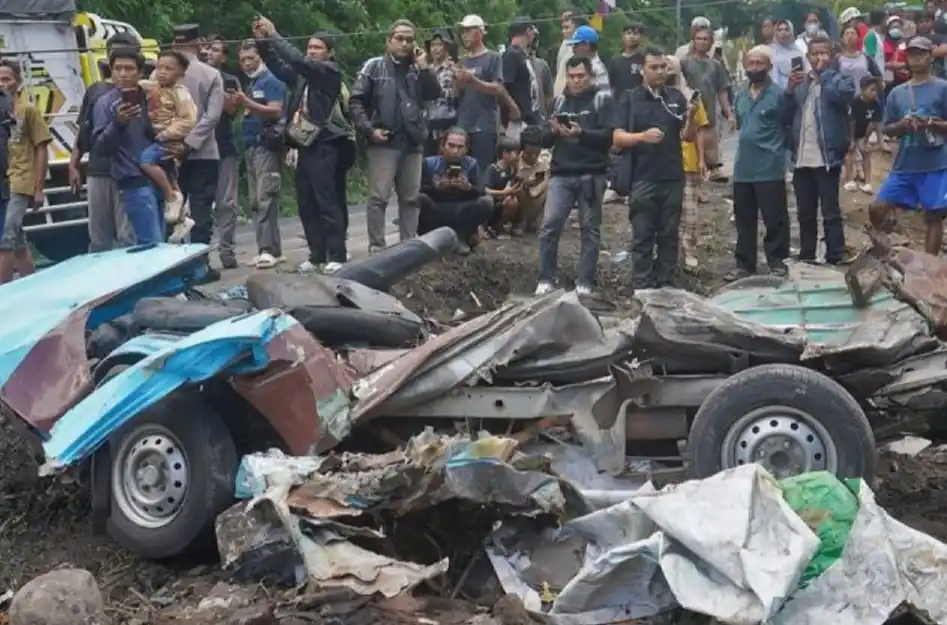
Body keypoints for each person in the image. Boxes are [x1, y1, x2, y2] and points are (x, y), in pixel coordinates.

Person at [256, 21, 355, 274]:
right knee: (306, 202)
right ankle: (316, 254)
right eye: (309, 47)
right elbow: (280, 67)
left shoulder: (329, 72)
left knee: (327, 200)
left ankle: (337, 254)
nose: (311, 51)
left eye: (317, 48)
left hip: (326, 144)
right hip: (304, 143)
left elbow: (298, 61)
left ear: (329, 53)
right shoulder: (304, 76)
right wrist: (263, 42)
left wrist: (275, 33)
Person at [350, 19, 442, 255]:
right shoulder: (374, 67)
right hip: (384, 140)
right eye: (399, 39)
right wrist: (370, 130)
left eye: (409, 40)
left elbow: (434, 93)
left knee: (411, 198)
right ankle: (377, 248)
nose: (404, 44)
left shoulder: (417, 68)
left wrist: (423, 68)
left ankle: (408, 247)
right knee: (379, 197)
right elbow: (356, 102)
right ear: (389, 40)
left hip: (412, 141)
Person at [613, 46, 699, 290]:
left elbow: (688, 137)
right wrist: (641, 137)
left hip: (672, 176)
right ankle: (641, 286)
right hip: (642, 178)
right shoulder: (629, 98)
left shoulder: (676, 97)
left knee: (669, 234)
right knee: (642, 235)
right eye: (654, 67)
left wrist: (691, 116)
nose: (660, 71)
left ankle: (665, 286)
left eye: (663, 67)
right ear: (642, 70)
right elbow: (617, 139)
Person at [534, 56, 615, 296]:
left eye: (581, 76)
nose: (576, 81)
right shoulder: (558, 102)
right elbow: (544, 140)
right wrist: (552, 130)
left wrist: (582, 133)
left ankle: (585, 282)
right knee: (550, 225)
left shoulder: (602, 101)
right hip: (562, 173)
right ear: (566, 77)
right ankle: (546, 278)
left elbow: (609, 137)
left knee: (589, 229)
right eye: (572, 76)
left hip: (592, 173)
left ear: (589, 76)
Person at [870, 37, 947, 255]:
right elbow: (887, 128)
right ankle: (883, 251)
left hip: (935, 163)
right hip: (905, 163)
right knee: (877, 208)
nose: (917, 58)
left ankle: (929, 268)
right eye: (912, 54)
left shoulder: (942, 88)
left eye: (921, 53)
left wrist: (931, 122)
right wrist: (903, 126)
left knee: (933, 217)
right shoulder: (897, 93)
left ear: (930, 57)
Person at [785, 35, 855, 265]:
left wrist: (825, 74)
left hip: (826, 158)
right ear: (808, 57)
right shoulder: (802, 85)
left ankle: (835, 255)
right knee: (805, 212)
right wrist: (788, 90)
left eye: (824, 53)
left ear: (832, 55)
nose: (820, 57)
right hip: (802, 158)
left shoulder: (839, 79)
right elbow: (785, 115)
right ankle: (807, 255)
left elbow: (844, 96)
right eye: (815, 53)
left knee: (830, 211)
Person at [728, 46, 792, 281]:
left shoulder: (780, 95)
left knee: (774, 219)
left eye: (760, 64)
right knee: (744, 220)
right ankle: (745, 265)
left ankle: (777, 262)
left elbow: (787, 126)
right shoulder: (740, 95)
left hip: (769, 167)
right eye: (751, 63)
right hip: (743, 168)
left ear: (769, 67)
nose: (754, 68)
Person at [70, 32, 137, 252]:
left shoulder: (145, 91)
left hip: (130, 171)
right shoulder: (96, 90)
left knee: (129, 235)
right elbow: (84, 130)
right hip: (99, 168)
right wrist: (74, 163)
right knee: (99, 237)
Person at [169, 24, 224, 282]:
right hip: (203, 152)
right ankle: (200, 266)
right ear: (198, 42)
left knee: (172, 211)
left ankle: (173, 268)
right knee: (201, 211)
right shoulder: (211, 74)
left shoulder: (161, 73)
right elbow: (212, 117)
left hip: (168, 153)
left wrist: (175, 144)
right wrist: (190, 143)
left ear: (174, 43)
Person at [92, 48, 164, 246]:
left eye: (129, 68)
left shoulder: (152, 97)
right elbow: (100, 148)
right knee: (150, 242)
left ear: (140, 73)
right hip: (133, 179)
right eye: (118, 69)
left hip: (163, 176)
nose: (123, 74)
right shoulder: (105, 104)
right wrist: (118, 124)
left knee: (167, 242)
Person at [232, 40, 286, 269]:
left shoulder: (271, 80)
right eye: (242, 59)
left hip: (267, 144)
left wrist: (247, 103)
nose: (246, 63)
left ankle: (267, 249)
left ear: (260, 58)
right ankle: (270, 248)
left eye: (251, 58)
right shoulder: (250, 83)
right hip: (250, 145)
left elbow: (276, 110)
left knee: (265, 197)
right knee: (255, 200)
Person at [0, 60, 49, 284]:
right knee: (18, 241)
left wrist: (39, 188)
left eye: (6, 79)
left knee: (5, 240)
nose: (2, 84)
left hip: (20, 182)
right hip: (4, 182)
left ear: (18, 82)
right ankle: (32, 285)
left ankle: (5, 294)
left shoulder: (28, 111)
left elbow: (41, 147)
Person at [138, 50, 197, 235]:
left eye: (168, 69)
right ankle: (181, 220)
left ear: (181, 73)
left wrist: (167, 134)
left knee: (145, 161)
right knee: (168, 173)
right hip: (157, 136)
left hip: (168, 139)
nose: (162, 72)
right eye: (159, 67)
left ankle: (171, 196)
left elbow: (189, 120)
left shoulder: (180, 93)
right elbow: (140, 84)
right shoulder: (156, 87)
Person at [454, 15, 517, 173]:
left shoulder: (493, 57)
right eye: (463, 31)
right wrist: (458, 79)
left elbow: (498, 87)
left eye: (468, 30)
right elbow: (456, 93)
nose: (464, 35)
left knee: (482, 171)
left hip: (484, 125)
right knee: (460, 171)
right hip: (462, 125)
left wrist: (473, 80)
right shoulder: (462, 61)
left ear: (481, 32)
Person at [665, 55, 710, 268]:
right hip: (664, 163)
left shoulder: (691, 97)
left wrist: (702, 159)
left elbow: (700, 130)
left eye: (671, 69)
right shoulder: (655, 98)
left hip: (688, 162)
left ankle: (689, 249)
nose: (667, 73)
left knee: (690, 213)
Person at [418, 127, 493, 253]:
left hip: (461, 209)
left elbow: (480, 190)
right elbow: (420, 189)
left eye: (460, 147)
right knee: (419, 200)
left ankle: (461, 236)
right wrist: (437, 187)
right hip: (437, 207)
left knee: (486, 202)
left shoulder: (471, 164)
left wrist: (468, 187)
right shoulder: (429, 163)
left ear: (466, 149)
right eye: (451, 145)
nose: (455, 151)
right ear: (443, 146)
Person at [202, 35, 241, 269]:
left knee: (227, 202)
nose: (210, 53)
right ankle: (201, 254)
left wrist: (214, 83)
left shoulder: (229, 80)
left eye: (216, 50)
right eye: (207, 49)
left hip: (224, 148)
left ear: (224, 57)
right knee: (201, 203)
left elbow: (232, 109)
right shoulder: (192, 76)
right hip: (199, 151)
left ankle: (227, 251)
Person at [680, 25, 732, 182]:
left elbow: (722, 90)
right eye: (698, 39)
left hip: (710, 109)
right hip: (691, 110)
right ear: (693, 41)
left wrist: (729, 113)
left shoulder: (715, 65)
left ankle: (714, 169)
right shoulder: (684, 62)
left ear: (711, 42)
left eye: (705, 39)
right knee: (692, 144)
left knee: (710, 140)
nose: (702, 42)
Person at [502, 19, 540, 141]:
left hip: (529, 118)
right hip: (517, 121)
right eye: (533, 32)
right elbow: (502, 86)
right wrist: (513, 108)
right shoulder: (511, 55)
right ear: (528, 32)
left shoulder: (522, 55)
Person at [845, 76, 883, 194]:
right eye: (871, 90)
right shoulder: (855, 102)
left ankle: (868, 182)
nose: (874, 93)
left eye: (876, 90)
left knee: (866, 152)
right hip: (849, 131)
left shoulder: (876, 104)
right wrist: (851, 140)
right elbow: (851, 122)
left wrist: (877, 141)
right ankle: (850, 180)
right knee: (850, 151)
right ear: (862, 89)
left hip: (863, 131)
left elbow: (876, 123)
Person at [424, 29, 458, 157]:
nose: (435, 49)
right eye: (433, 45)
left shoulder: (453, 68)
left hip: (447, 123)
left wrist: (435, 89)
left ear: (446, 47)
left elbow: (455, 95)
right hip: (428, 123)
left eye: (439, 45)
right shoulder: (425, 69)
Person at [485, 137, 521, 233]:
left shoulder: (512, 170)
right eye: (516, 153)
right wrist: (503, 192)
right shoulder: (493, 169)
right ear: (505, 154)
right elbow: (485, 190)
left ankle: (500, 225)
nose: (518, 156)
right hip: (490, 205)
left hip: (502, 203)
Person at [838, 23, 882, 93]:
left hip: (863, 98)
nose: (850, 36)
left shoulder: (866, 57)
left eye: (853, 33)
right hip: (843, 99)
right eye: (847, 34)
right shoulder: (837, 59)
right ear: (842, 39)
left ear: (858, 37)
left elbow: (878, 76)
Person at [608, 22, 646, 101]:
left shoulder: (645, 59)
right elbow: (611, 87)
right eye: (628, 33)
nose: (631, 36)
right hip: (620, 104)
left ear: (641, 37)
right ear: (623, 36)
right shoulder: (615, 61)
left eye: (635, 33)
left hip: (641, 103)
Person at [565, 26, 609, 92]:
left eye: (576, 45)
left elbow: (604, 97)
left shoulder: (596, 68)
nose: (573, 49)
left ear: (586, 45)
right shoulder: (584, 65)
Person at [554, 8, 584, 96]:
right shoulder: (564, 45)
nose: (563, 23)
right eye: (562, 21)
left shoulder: (583, 46)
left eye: (567, 20)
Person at [769, 19, 804, 90]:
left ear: (791, 32)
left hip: (798, 91)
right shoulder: (770, 52)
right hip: (777, 92)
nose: (783, 33)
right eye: (779, 30)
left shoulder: (798, 52)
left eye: (786, 30)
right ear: (775, 32)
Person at [884, 16, 910, 96]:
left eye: (898, 27)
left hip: (905, 79)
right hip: (889, 79)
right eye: (893, 27)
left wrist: (904, 65)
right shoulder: (884, 44)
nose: (896, 29)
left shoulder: (907, 43)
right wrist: (893, 65)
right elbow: (882, 62)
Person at [863, 10, 888, 80]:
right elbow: (870, 59)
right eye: (886, 19)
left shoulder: (878, 36)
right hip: (875, 79)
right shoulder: (871, 36)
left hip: (880, 78)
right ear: (882, 20)